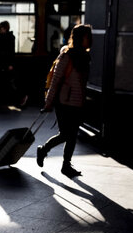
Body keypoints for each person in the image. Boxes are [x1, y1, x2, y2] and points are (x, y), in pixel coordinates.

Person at [36, 24, 92, 178]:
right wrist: (48, 102)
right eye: (87, 36)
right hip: (64, 102)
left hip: (78, 102)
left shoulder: (85, 57)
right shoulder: (66, 55)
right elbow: (56, 80)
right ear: (81, 38)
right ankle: (44, 150)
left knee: (71, 135)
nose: (90, 39)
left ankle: (66, 165)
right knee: (66, 134)